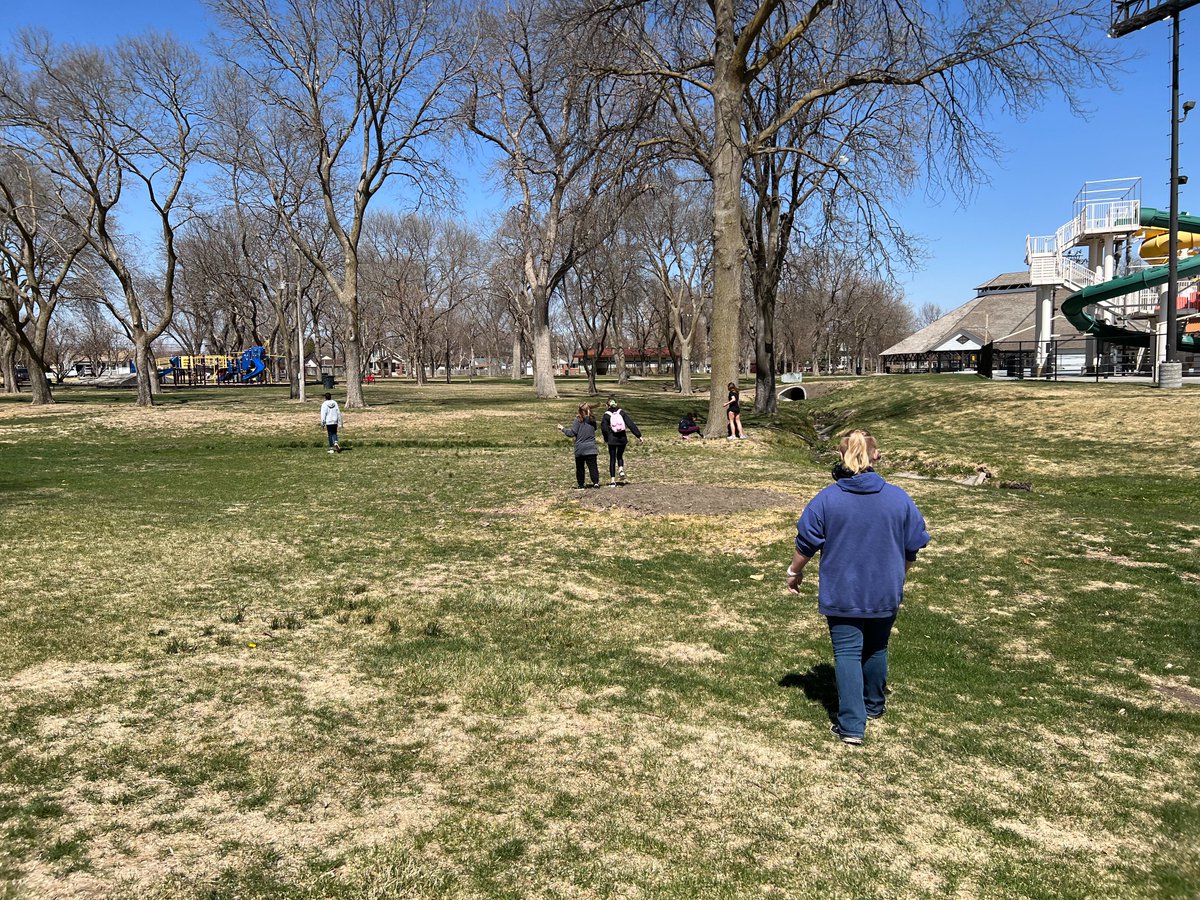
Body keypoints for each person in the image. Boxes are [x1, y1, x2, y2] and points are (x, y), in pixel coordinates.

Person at [786, 429, 929, 745]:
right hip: (885, 591)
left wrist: (794, 572)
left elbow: (806, 543)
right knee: (877, 646)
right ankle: (873, 705)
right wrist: (898, 576)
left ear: (841, 456)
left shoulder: (826, 499)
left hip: (843, 591)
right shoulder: (899, 499)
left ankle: (852, 724)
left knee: (848, 652)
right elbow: (913, 546)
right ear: (876, 456)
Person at [600, 397, 643, 486]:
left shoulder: (606, 415)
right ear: (616, 403)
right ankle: (621, 469)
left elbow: (604, 429)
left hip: (612, 439)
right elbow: (630, 423)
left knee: (612, 458)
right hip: (622, 438)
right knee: (619, 455)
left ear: (607, 405)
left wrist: (606, 438)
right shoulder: (621, 412)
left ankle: (612, 481)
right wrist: (639, 435)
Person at [557, 403, 600, 489]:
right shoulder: (593, 420)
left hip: (580, 449)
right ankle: (595, 482)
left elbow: (571, 433)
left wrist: (562, 429)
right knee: (593, 466)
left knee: (580, 468)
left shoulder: (578, 420)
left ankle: (581, 484)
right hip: (591, 448)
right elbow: (595, 428)